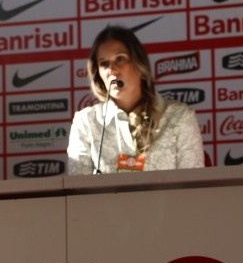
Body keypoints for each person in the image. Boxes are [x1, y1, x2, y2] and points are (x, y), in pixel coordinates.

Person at [67, 26, 204, 175]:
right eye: (104, 63)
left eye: (120, 59)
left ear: (140, 64)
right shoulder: (86, 122)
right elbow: (78, 190)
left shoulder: (179, 116)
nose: (112, 70)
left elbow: (192, 186)